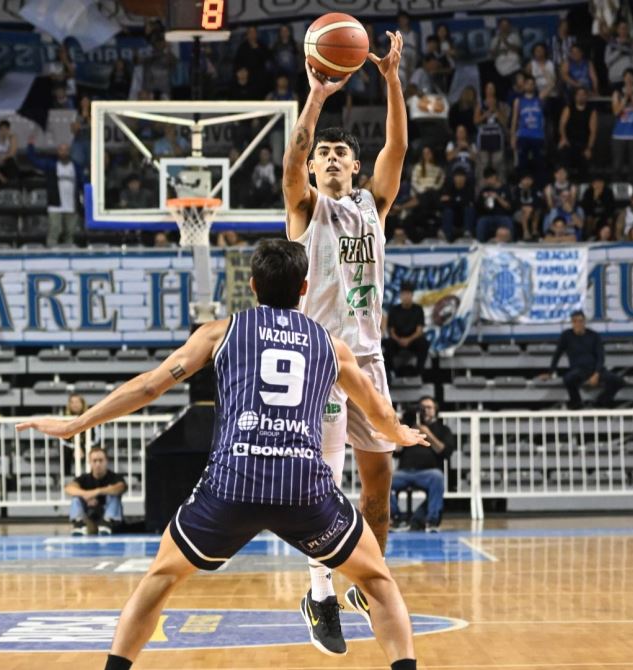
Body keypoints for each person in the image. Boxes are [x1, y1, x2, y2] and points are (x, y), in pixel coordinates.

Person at [18, 240, 424, 669]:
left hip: (232, 485)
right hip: (303, 488)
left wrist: (77, 424)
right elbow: (379, 414)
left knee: (160, 578)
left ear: (252, 286)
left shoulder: (220, 332)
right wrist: (401, 432)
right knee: (378, 582)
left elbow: (149, 387)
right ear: (304, 288)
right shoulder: (332, 346)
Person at [279, 35, 409, 656]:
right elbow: (292, 158)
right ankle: (320, 593)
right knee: (325, 484)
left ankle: (365, 574)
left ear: (355, 167)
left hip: (369, 358)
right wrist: (316, 97)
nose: (330, 158)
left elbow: (397, 148)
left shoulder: (372, 207)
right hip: (320, 362)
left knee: (378, 484)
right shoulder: (303, 208)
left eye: (340, 153)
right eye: (323, 153)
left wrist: (391, 80)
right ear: (313, 168)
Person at [390, 397, 454, 532]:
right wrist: (401, 432)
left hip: (428, 473)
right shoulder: (409, 427)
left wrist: (427, 434)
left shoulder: (443, 429)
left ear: (436, 410)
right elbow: (396, 452)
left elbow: (445, 451)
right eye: (422, 408)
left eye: (429, 407)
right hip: (405, 472)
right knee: (385, 479)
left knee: (438, 477)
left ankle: (432, 521)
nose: (425, 411)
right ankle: (396, 518)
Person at [542, 311, 624, 409]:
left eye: (580, 321)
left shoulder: (594, 335)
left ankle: (600, 402)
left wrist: (596, 374)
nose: (578, 324)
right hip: (578, 370)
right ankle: (577, 404)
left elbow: (600, 357)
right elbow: (557, 355)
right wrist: (550, 373)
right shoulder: (566, 336)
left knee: (619, 381)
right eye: (575, 321)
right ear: (572, 323)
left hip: (595, 370)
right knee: (568, 379)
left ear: (584, 322)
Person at [27, 139, 84, 247]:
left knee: (70, 232)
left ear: (69, 152)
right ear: (58, 151)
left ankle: (68, 253)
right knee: (54, 230)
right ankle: (51, 253)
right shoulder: (51, 165)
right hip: (55, 204)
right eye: (61, 150)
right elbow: (34, 160)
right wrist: (30, 146)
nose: (64, 152)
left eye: (66, 150)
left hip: (72, 205)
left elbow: (82, 183)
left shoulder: (76, 167)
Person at [66, 448, 126, 536]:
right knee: (76, 498)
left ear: (106, 461)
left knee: (114, 496)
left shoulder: (115, 477)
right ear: (89, 462)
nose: (98, 464)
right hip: (88, 517)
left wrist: (97, 492)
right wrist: (86, 495)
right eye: (94, 461)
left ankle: (107, 523)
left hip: (108, 516)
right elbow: (69, 488)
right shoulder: (84, 478)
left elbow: (121, 487)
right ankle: (79, 525)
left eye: (101, 460)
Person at [383, 284, 429, 376]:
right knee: (387, 344)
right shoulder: (394, 310)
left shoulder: (418, 309)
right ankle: (392, 372)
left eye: (408, 294)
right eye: (404, 294)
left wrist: (408, 340)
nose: (406, 296)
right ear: (400, 295)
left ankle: (419, 372)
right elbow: (391, 331)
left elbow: (419, 331)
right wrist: (399, 340)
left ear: (412, 295)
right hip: (397, 340)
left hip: (413, 340)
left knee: (424, 343)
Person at [611, 69, 633, 180]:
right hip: (619, 134)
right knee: (617, 164)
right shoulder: (617, 93)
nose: (629, 79)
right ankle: (616, 183)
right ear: (623, 78)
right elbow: (616, 112)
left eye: (631, 76)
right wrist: (625, 97)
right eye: (627, 76)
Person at [558, 86, 597, 181]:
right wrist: (563, 138)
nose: (581, 97)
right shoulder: (568, 108)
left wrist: (589, 148)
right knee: (563, 158)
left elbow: (593, 131)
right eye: (579, 94)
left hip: (583, 143)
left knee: (585, 164)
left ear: (586, 96)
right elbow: (562, 125)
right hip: (569, 142)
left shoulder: (591, 111)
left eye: (583, 94)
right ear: (575, 96)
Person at [512, 74, 547, 180]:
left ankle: (539, 186)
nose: (530, 86)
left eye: (532, 84)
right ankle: (522, 185)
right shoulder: (518, 101)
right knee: (522, 164)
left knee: (539, 164)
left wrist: (544, 71)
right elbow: (514, 120)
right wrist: (513, 137)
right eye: (527, 83)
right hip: (523, 135)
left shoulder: (540, 99)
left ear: (534, 86)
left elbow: (551, 84)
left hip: (538, 136)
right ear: (523, 85)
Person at [439, 169, 476, 241]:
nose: (459, 179)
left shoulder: (469, 188)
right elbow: (444, 203)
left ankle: (467, 233)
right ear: (454, 178)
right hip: (453, 215)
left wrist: (451, 199)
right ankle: (447, 236)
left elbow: (469, 202)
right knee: (447, 211)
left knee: (470, 209)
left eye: (462, 177)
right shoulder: (449, 188)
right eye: (457, 177)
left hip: (464, 215)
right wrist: (458, 200)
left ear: (465, 178)